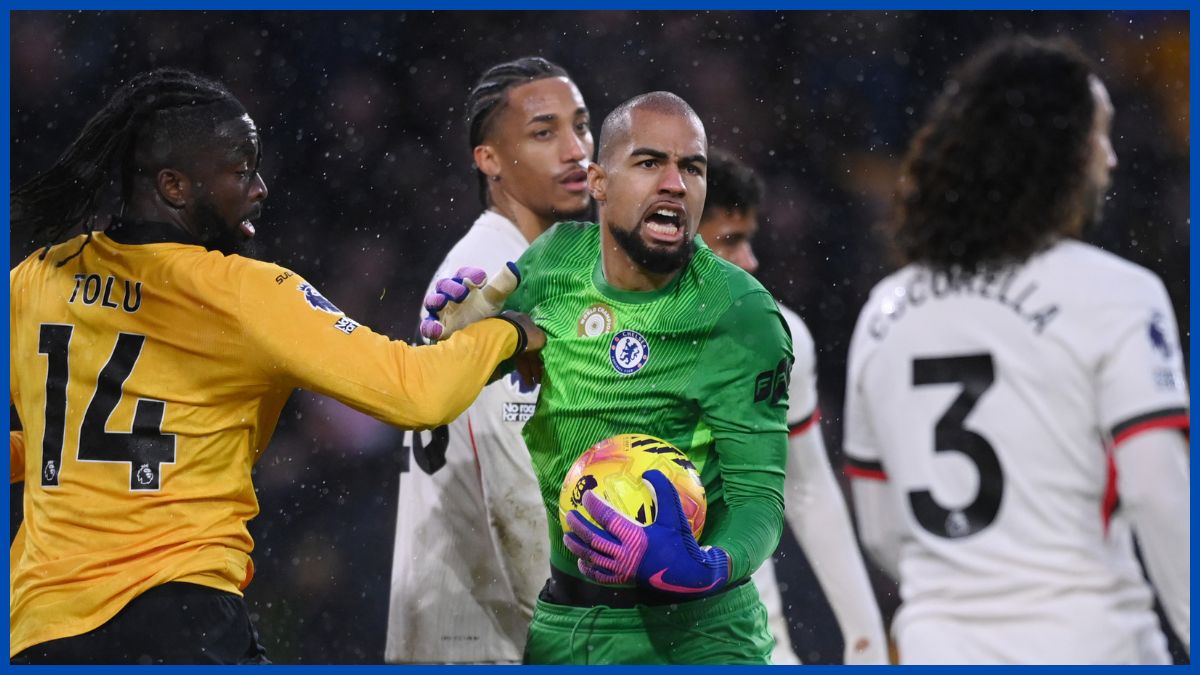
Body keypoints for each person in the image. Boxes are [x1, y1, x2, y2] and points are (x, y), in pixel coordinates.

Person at [8, 68, 542, 665]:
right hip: (181, 616)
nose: (260, 187)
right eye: (240, 171)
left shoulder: (38, 278)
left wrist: (45, 456)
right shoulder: (243, 293)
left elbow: (71, 428)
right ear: (174, 186)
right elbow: (417, 393)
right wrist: (507, 332)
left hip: (44, 635)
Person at [843, 36, 1189, 664]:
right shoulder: (1118, 293)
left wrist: (969, 583)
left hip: (937, 649)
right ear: (1057, 155)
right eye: (1100, 136)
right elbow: (1157, 491)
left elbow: (881, 527)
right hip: (1092, 641)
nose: (1110, 160)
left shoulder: (884, 313)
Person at [423, 91, 792, 665]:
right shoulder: (553, 261)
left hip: (699, 639)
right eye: (650, 163)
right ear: (597, 182)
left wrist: (708, 566)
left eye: (690, 167)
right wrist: (453, 331)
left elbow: (760, 501)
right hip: (565, 631)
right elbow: (470, 352)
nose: (675, 183)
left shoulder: (741, 313)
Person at [385, 56, 593, 664]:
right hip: (487, 634)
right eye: (544, 132)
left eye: (581, 126)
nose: (576, 149)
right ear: (489, 160)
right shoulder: (478, 284)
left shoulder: (538, 268)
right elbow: (513, 497)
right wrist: (583, 642)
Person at [697, 148, 886, 665]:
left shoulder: (781, 338)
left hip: (758, 640)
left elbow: (805, 489)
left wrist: (864, 636)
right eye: (731, 240)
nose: (751, 261)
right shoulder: (603, 339)